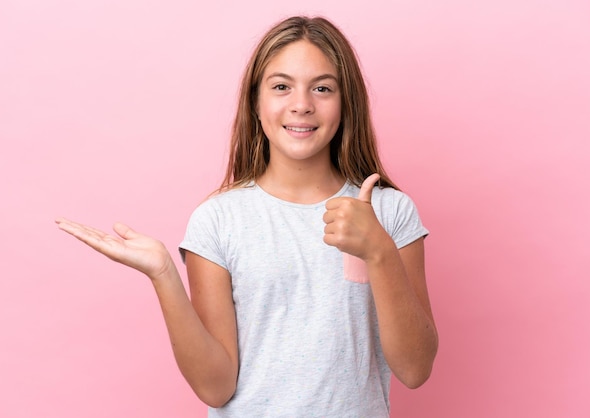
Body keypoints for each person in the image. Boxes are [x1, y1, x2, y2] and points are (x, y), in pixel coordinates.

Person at [56, 15, 438, 417]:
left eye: (322, 88)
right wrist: (164, 275)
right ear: (256, 103)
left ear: (347, 103)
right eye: (281, 87)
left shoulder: (390, 211)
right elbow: (215, 387)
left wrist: (377, 250)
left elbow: (415, 369)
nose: (302, 104)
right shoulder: (218, 220)